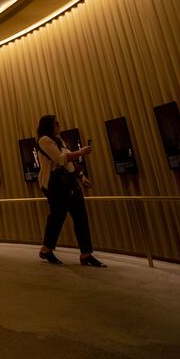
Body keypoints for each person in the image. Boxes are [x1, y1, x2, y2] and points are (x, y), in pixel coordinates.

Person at [36, 114, 106, 267]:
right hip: (55, 185)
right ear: (49, 125)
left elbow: (68, 161)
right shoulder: (44, 141)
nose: (59, 126)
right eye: (56, 123)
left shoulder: (59, 140)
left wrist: (81, 176)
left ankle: (86, 254)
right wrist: (80, 152)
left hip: (70, 183)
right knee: (57, 216)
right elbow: (61, 159)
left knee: (81, 216)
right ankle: (46, 249)